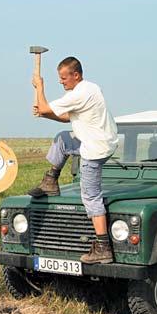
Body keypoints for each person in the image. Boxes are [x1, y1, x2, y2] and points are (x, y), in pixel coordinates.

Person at [29, 56, 118, 264]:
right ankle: (50, 181)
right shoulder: (91, 88)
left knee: (90, 196)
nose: (61, 82)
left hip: (94, 149)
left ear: (76, 75)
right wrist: (46, 115)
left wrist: (39, 87)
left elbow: (43, 106)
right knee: (63, 140)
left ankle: (103, 247)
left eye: (63, 78)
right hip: (102, 142)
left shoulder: (79, 94)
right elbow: (68, 117)